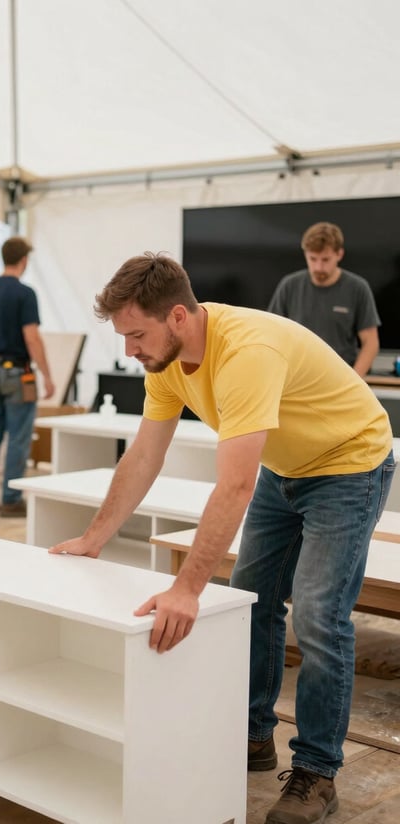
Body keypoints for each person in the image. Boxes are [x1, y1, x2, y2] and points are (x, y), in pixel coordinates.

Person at [49, 253, 394, 824]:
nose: (129, 350)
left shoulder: (246, 353)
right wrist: (93, 537)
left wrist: (187, 588)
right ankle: (254, 735)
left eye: (136, 335)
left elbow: (234, 485)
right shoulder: (165, 365)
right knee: (251, 599)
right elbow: (144, 457)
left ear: (178, 316)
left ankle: (316, 772)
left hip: (348, 464)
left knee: (316, 614)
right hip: (286, 468)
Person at [0, 237, 55, 517]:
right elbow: (31, 337)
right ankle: (11, 499)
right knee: (18, 437)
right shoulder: (25, 293)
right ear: (23, 260)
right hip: (18, 373)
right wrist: (47, 375)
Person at [267, 222, 380, 377]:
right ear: (305, 254)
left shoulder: (358, 287)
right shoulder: (289, 285)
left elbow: (371, 343)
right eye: (313, 259)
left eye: (325, 260)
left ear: (339, 254)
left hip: (341, 378)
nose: (318, 267)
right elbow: (272, 333)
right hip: (296, 379)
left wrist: (354, 380)